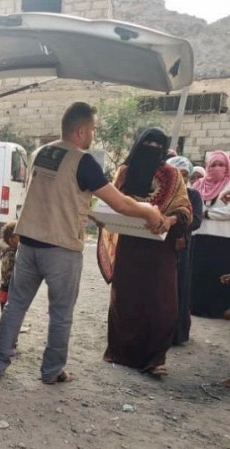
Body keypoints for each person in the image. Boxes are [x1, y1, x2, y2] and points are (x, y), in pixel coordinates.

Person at [0, 102, 166, 384]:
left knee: (15, 305)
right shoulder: (83, 161)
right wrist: (150, 213)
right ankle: (51, 371)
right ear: (81, 131)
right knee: (60, 314)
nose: (93, 134)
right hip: (61, 249)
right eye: (93, 129)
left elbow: (60, 195)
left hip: (28, 243)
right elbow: (119, 203)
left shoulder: (40, 153)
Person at [97, 129, 191, 377]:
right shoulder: (124, 173)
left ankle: (154, 360)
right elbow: (111, 203)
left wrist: (169, 220)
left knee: (161, 305)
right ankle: (121, 354)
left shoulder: (172, 175)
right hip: (130, 248)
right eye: (148, 142)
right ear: (138, 144)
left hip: (160, 251)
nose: (152, 148)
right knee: (126, 301)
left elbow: (184, 209)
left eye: (158, 145)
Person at [166, 156, 203, 344]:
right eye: (177, 174)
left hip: (181, 246)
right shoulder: (163, 192)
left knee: (178, 285)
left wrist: (176, 227)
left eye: (185, 174)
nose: (181, 178)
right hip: (160, 245)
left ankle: (176, 333)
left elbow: (196, 220)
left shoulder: (193, 195)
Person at [189, 151, 230, 318]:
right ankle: (195, 307)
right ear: (207, 167)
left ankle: (217, 310)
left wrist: (206, 213)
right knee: (199, 273)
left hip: (222, 238)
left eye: (221, 165)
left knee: (216, 274)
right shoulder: (198, 185)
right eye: (213, 165)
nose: (217, 168)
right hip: (198, 236)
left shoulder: (229, 185)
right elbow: (189, 205)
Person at [0, 221, 19, 311]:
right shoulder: (11, 254)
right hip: (8, 290)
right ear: (11, 240)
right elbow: (9, 274)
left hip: (5, 289)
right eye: (19, 237)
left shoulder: (7, 251)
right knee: (9, 312)